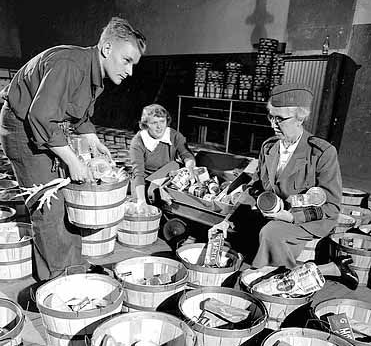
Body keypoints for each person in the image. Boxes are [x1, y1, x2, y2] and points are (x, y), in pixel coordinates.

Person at [0, 17, 146, 282]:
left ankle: (72, 267)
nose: (130, 71)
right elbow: (41, 116)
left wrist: (92, 139)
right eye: (127, 61)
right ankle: (58, 279)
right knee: (48, 204)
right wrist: (73, 160)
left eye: (134, 64)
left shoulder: (96, 75)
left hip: (41, 125)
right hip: (22, 128)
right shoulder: (69, 64)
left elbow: (77, 116)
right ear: (107, 49)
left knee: (63, 199)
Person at [209, 82, 358, 289]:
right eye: (271, 116)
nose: (273, 124)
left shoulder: (322, 152)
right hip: (274, 210)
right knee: (238, 230)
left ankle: (273, 286)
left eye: (280, 119)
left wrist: (291, 217)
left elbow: (331, 207)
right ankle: (329, 269)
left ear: (301, 118)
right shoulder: (269, 146)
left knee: (272, 232)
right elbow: (255, 186)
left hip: (308, 217)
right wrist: (227, 220)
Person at [130, 103, 196, 208]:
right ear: (146, 124)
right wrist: (141, 200)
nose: (159, 127)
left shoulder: (174, 135)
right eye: (154, 123)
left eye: (162, 121)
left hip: (166, 177)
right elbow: (139, 174)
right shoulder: (138, 142)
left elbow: (186, 154)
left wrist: (190, 167)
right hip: (144, 183)